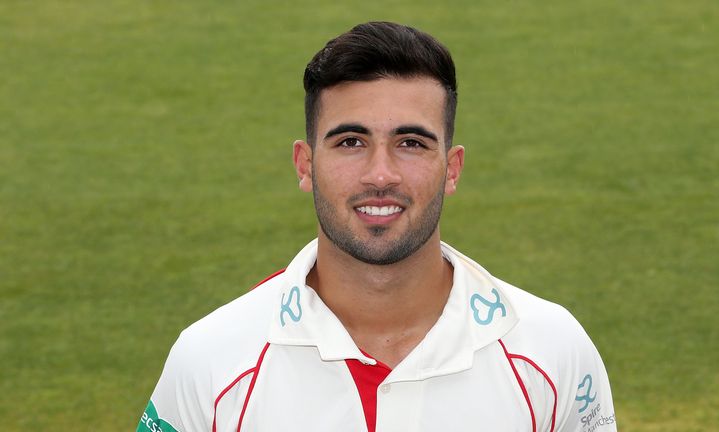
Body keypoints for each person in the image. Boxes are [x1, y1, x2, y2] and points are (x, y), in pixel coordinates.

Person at [137, 21, 617, 432]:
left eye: (410, 142)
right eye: (350, 142)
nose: (380, 174)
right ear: (305, 165)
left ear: (452, 169)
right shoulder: (210, 361)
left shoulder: (553, 352)